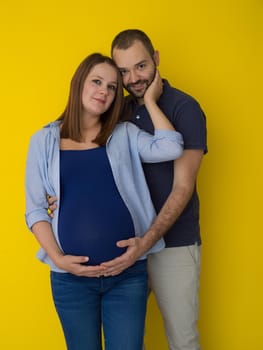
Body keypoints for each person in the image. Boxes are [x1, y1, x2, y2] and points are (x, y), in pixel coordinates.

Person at [25, 53, 184, 350]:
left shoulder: (123, 134)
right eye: (97, 82)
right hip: (71, 281)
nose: (104, 92)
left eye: (112, 87)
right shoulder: (43, 140)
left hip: (127, 275)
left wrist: (151, 100)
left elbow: (171, 146)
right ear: (78, 84)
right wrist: (59, 260)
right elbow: (35, 209)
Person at [102, 30, 207, 350]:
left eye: (141, 66)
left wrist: (146, 241)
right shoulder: (113, 109)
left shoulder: (184, 108)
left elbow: (182, 188)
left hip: (173, 244)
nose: (133, 78)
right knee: (124, 342)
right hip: (122, 247)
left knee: (182, 339)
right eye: (122, 72)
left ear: (157, 59)